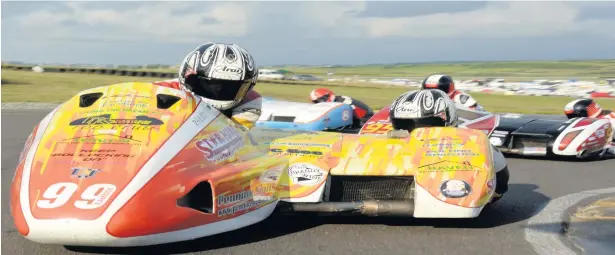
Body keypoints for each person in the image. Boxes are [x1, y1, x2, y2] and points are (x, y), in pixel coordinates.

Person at [388, 89, 509, 203]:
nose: (411, 131)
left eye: (421, 124)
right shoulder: (392, 143)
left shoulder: (468, 141)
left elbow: (501, 182)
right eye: (401, 124)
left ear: (446, 118)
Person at [153, 42, 262, 129]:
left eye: (231, 86)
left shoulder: (250, 101)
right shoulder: (161, 89)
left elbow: (237, 136)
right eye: (209, 84)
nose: (218, 90)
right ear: (188, 76)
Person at [309, 87, 374, 128]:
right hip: (358, 118)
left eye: (321, 100)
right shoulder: (337, 99)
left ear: (327, 95)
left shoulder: (339, 103)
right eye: (317, 101)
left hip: (365, 121)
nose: (320, 102)